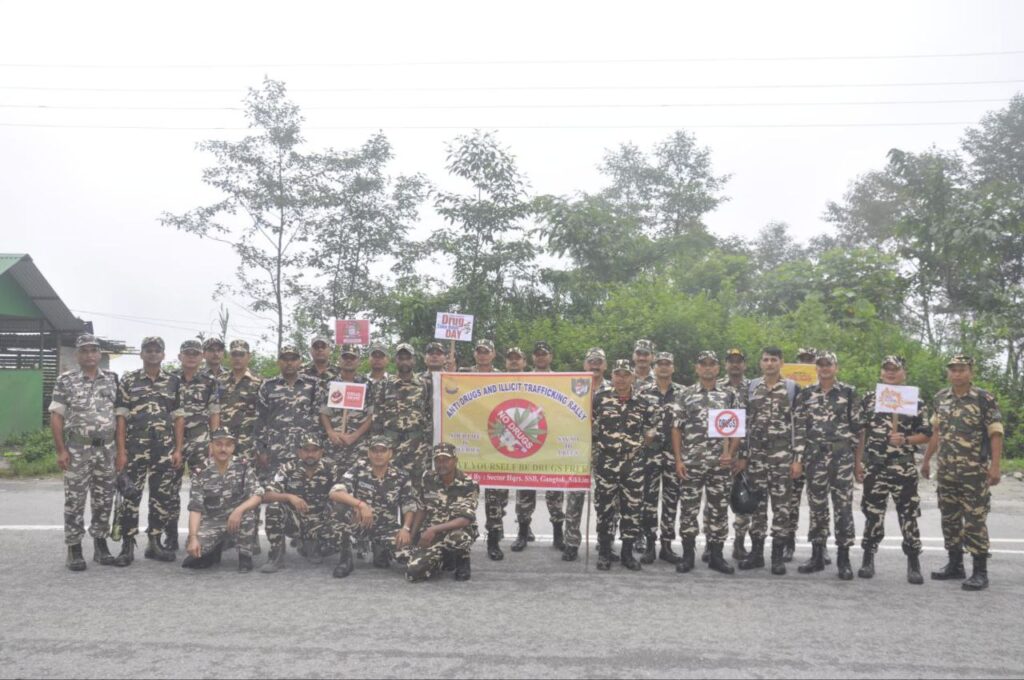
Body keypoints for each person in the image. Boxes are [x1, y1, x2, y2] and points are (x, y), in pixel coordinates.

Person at [922, 355, 1003, 591]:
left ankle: (980, 571)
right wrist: (927, 460)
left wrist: (995, 466)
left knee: (975, 521)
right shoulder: (941, 398)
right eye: (953, 370)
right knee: (950, 518)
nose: (957, 374)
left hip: (974, 472)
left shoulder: (983, 398)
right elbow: (936, 432)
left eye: (962, 369)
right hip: (946, 470)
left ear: (971, 372)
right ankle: (955, 564)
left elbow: (995, 433)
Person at [855, 355, 930, 584]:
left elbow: (926, 434)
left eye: (895, 369)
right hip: (875, 467)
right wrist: (858, 463)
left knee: (908, 515)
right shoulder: (870, 399)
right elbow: (861, 432)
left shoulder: (914, 400)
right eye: (886, 369)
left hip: (903, 467)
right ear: (881, 373)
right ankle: (868, 558)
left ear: (903, 372)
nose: (890, 373)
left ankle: (913, 562)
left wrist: (906, 440)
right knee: (872, 514)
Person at [49, 333, 119, 570]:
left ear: (99, 354)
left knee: (104, 499)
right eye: (84, 351)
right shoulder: (65, 381)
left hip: (106, 449)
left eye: (93, 350)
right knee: (75, 500)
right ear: (77, 355)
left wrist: (121, 450)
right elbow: (56, 416)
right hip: (78, 448)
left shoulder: (112, 379)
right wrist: (61, 450)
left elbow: (119, 417)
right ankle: (74, 548)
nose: (89, 355)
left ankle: (101, 544)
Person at [113, 336, 185, 566]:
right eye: (148, 350)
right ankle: (127, 545)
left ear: (163, 355)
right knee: (130, 496)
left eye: (157, 350)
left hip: (163, 449)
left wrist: (178, 449)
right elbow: (121, 418)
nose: (153, 354)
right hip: (135, 449)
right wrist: (121, 451)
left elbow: (178, 419)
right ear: (141, 354)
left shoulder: (173, 382)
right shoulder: (129, 380)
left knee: (161, 497)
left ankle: (155, 541)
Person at [791, 351, 861, 580]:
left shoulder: (849, 393)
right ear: (816, 369)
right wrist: (798, 460)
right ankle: (817, 555)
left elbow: (859, 430)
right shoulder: (807, 394)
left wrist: (858, 463)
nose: (824, 368)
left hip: (841, 457)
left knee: (843, 508)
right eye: (820, 365)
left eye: (828, 364)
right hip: (815, 458)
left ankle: (844, 558)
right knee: (817, 508)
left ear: (836, 367)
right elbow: (799, 430)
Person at [671, 351, 739, 575]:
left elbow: (737, 428)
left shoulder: (728, 395)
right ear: (697, 368)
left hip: (720, 465)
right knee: (689, 511)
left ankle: (717, 556)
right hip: (692, 463)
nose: (708, 368)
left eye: (712, 364)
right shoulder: (686, 394)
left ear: (718, 369)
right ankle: (688, 555)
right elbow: (676, 428)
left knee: (718, 511)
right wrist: (679, 459)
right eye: (703, 364)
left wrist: (731, 452)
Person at [592, 359, 661, 571]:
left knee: (632, 509)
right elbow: (589, 427)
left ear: (633, 377)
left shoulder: (643, 402)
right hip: (606, 463)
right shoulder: (600, 399)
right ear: (612, 376)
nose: (621, 378)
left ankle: (627, 553)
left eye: (625, 374)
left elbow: (652, 429)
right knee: (604, 509)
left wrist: (639, 445)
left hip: (633, 465)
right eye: (617, 374)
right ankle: (604, 552)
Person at [735, 346, 798, 575]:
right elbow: (743, 423)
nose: (769, 363)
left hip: (782, 456)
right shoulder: (751, 387)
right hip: (757, 457)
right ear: (760, 363)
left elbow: (798, 426)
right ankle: (757, 553)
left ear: (781, 362)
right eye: (765, 360)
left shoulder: (791, 388)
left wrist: (797, 459)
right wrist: (742, 455)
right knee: (757, 506)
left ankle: (777, 556)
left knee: (782, 508)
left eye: (773, 359)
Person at [328, 435, 417, 578]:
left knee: (411, 561)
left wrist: (405, 529)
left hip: (386, 527)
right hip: (360, 523)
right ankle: (346, 559)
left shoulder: (401, 476)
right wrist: (360, 504)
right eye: (374, 450)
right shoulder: (358, 469)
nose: (378, 454)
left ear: (390, 453)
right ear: (369, 453)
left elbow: (409, 505)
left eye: (383, 450)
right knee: (340, 509)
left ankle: (381, 549)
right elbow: (335, 492)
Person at [165, 339, 221, 553]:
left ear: (201, 358)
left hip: (200, 439)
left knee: (204, 490)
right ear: (180, 356)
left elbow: (215, 412)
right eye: (187, 353)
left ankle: (203, 536)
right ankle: (170, 536)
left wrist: (214, 441)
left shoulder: (209, 381)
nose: (191, 357)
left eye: (195, 354)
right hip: (172, 440)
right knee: (170, 490)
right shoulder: (169, 380)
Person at [182, 427, 263, 572]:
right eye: (218, 444)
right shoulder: (201, 472)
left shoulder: (243, 467)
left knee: (248, 514)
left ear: (233, 447)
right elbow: (195, 508)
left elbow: (258, 495)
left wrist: (239, 510)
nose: (223, 449)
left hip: (238, 519)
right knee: (194, 553)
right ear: (211, 446)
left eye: (228, 445)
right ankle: (214, 548)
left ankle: (245, 556)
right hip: (212, 521)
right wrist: (193, 537)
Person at [260, 434, 344, 573]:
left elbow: (343, 492)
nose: (310, 454)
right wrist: (289, 496)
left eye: (314, 450)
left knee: (341, 510)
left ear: (321, 452)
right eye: (306, 450)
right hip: (295, 521)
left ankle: (313, 545)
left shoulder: (331, 468)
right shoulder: (287, 468)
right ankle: (276, 556)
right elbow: (266, 495)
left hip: (321, 520)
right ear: (299, 452)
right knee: (274, 507)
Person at [460, 339, 509, 561]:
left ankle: (493, 541)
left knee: (494, 498)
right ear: (474, 354)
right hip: (469, 444)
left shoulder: (504, 377)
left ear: (493, 354)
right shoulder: (462, 375)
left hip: (494, 444)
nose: (482, 355)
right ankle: (463, 538)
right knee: (465, 496)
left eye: (486, 352)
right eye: (479, 352)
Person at [403, 443, 479, 582]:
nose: (441, 464)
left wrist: (433, 529)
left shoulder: (468, 484)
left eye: (446, 460)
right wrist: (413, 536)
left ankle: (462, 560)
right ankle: (443, 558)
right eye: (438, 460)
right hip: (432, 535)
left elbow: (465, 519)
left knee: (459, 537)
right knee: (413, 573)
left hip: (455, 531)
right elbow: (421, 509)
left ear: (455, 461)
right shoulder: (427, 479)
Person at [638, 351, 685, 565]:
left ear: (674, 368)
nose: (664, 367)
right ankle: (649, 544)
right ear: (654, 368)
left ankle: (666, 545)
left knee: (671, 500)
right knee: (648, 501)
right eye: (660, 364)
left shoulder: (684, 393)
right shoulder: (642, 393)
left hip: (674, 455)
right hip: (649, 456)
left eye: (668, 364)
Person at [254, 344, 319, 483]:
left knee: (303, 491)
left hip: (305, 451)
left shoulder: (312, 385)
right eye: (285, 359)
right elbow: (260, 419)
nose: (289, 363)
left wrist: (317, 449)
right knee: (274, 490)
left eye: (293, 359)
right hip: (276, 451)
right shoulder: (268, 386)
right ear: (278, 362)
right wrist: (261, 450)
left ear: (300, 361)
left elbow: (318, 417)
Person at [783, 346, 820, 563]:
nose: (806, 363)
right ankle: (789, 543)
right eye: (802, 360)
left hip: (818, 456)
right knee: (791, 502)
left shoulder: (824, 388)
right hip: (793, 452)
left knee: (819, 504)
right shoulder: (791, 388)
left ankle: (819, 545)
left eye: (810, 360)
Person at [379, 343, 432, 489]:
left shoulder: (424, 384)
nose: (404, 362)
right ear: (395, 360)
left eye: (408, 358)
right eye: (400, 358)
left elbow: (429, 412)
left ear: (414, 360)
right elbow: (377, 416)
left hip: (416, 447)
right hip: (391, 445)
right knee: (388, 488)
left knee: (416, 490)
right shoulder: (385, 384)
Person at [717, 348, 751, 561]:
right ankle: (714, 544)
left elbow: (753, 424)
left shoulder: (753, 388)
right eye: (731, 361)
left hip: (746, 455)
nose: (735, 365)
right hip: (721, 455)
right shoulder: (717, 387)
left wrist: (744, 456)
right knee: (716, 503)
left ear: (745, 365)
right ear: (726, 364)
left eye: (739, 361)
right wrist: (724, 454)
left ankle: (739, 543)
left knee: (743, 503)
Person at [319, 344, 373, 473]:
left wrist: (355, 435)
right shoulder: (330, 383)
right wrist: (330, 432)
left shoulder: (366, 384)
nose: (349, 360)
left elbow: (371, 415)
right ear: (339, 360)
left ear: (359, 361)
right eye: (345, 357)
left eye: (353, 358)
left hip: (358, 443)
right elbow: (324, 411)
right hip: (334, 442)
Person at [217, 340, 263, 463]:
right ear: (229, 357)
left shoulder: (259, 382)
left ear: (249, 356)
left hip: (247, 441)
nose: (237, 358)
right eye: (234, 354)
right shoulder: (219, 380)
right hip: (223, 441)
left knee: (246, 478)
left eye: (241, 355)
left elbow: (264, 415)